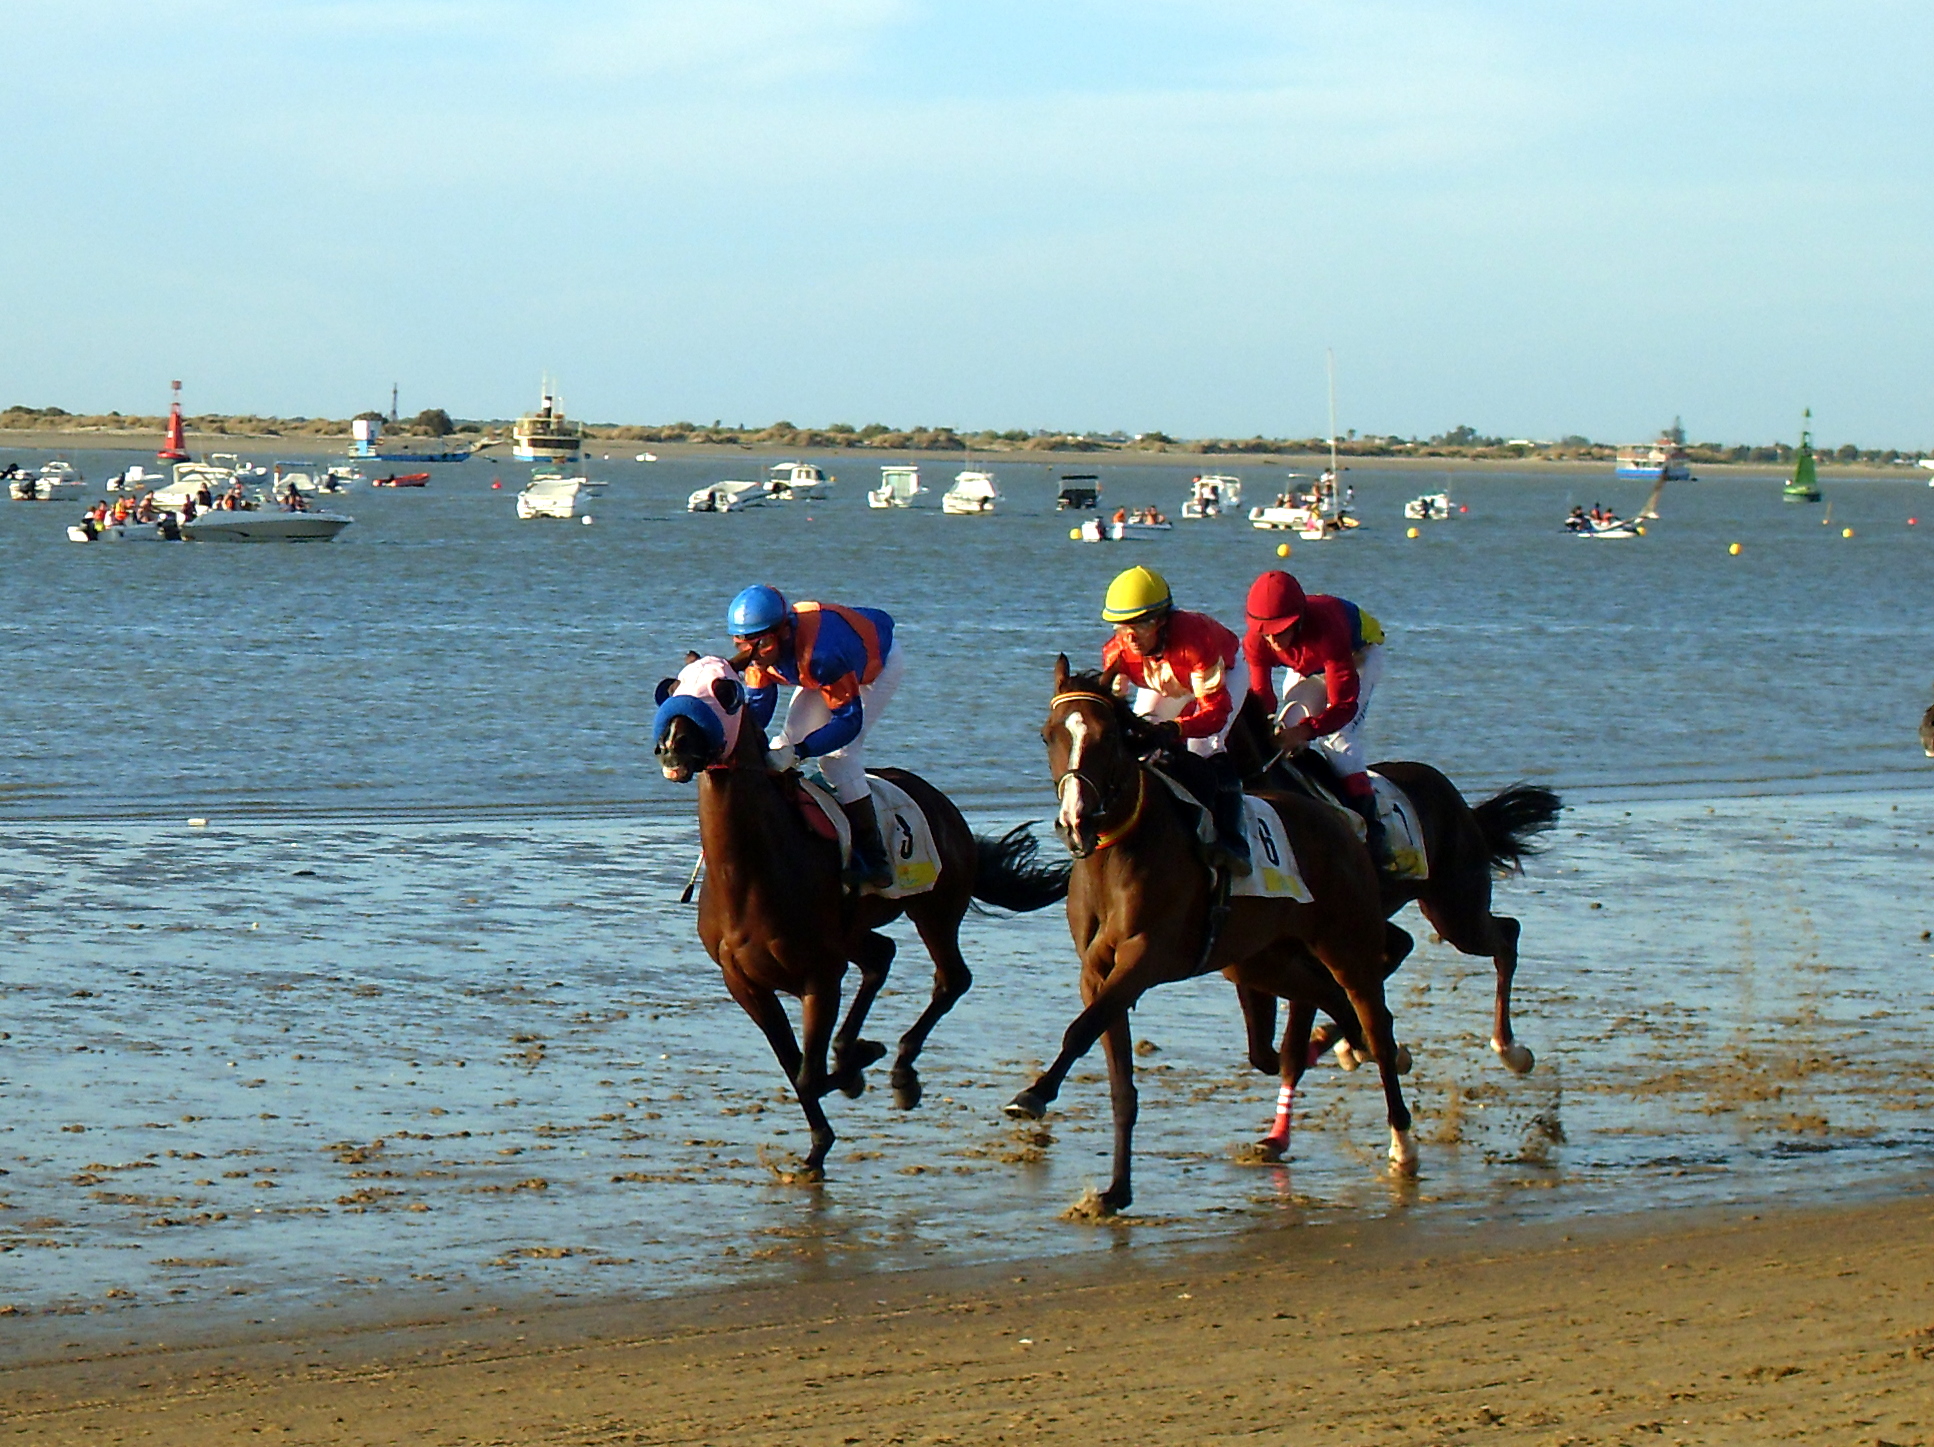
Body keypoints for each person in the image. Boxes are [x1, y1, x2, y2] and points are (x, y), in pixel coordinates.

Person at [726, 584, 904, 892]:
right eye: (742, 644)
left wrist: (801, 751)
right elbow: (758, 714)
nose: (752, 655)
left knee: (838, 760)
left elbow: (848, 722)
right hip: (818, 668)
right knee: (780, 745)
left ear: (782, 632)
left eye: (762, 644)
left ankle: (876, 861)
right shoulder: (759, 655)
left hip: (874, 666)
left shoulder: (822, 655)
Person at [1098, 565, 1250, 875]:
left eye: (1141, 625)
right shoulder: (1117, 652)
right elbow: (1113, 708)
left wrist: (1177, 727)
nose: (1130, 636)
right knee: (1143, 743)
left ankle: (1235, 844)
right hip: (1169, 679)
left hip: (1222, 672)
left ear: (1162, 622)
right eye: (1121, 626)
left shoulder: (1196, 640)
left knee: (1206, 745)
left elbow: (1216, 713)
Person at [1243, 570, 1389, 863]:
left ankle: (1375, 834)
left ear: (1297, 622)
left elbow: (1343, 705)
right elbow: (1263, 698)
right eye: (1266, 634)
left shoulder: (1327, 631)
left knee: (1338, 741)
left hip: (1357, 657)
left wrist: (1307, 731)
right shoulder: (1257, 641)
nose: (1273, 641)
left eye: (1280, 631)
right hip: (1308, 663)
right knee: (1287, 721)